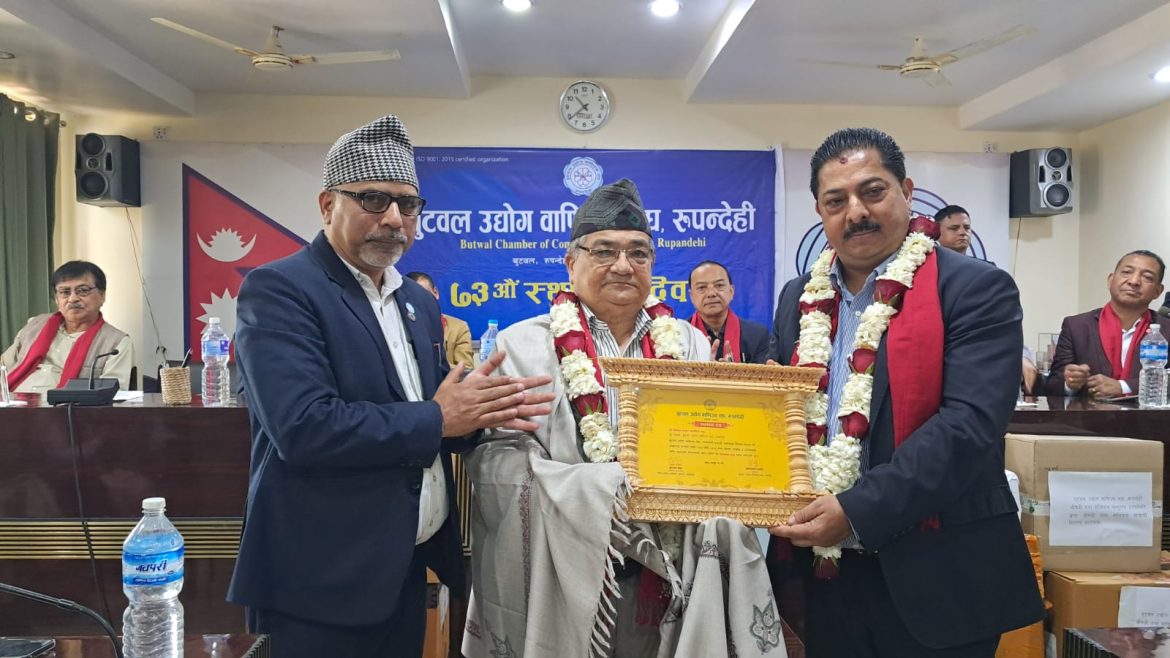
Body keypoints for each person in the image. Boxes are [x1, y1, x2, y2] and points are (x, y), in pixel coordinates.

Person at [226, 114, 554, 658]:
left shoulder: (416, 302)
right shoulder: (281, 289)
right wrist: (441, 417)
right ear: (327, 205)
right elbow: (304, 427)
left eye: (408, 204)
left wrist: (482, 415)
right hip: (319, 578)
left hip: (403, 567)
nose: (395, 219)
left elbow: (431, 412)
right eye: (374, 200)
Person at [461, 179, 782, 658]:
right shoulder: (520, 346)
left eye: (638, 253)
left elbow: (714, 444)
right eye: (604, 251)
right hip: (567, 573)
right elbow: (497, 465)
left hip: (672, 570)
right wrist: (602, 489)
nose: (623, 266)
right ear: (570, 263)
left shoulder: (689, 344)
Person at [766, 128, 1043, 657]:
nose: (856, 212)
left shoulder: (974, 288)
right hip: (827, 575)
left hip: (941, 569)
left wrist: (855, 509)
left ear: (907, 191)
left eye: (872, 192)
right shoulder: (798, 297)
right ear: (820, 211)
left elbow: (969, 427)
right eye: (836, 201)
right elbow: (786, 409)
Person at [1045, 250, 1169, 398]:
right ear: (1110, 280)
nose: (1134, 281)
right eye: (1127, 272)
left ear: (1158, 291)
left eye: (1147, 277)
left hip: (1149, 413)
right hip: (1089, 413)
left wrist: (1123, 387)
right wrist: (1070, 383)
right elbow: (1052, 386)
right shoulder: (1076, 326)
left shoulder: (1166, 329)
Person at [2, 260, 134, 394]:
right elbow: (4, 367)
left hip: (64, 406)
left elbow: (109, 395)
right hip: (11, 402)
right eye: (64, 292)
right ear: (56, 298)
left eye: (83, 291)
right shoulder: (34, 325)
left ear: (102, 295)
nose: (72, 299)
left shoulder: (116, 343)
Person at [687, 260, 769, 363]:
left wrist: (734, 371)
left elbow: (762, 373)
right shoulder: (679, 336)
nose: (711, 293)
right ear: (691, 296)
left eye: (719, 285)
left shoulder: (757, 335)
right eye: (702, 287)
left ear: (731, 291)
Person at [405, 271, 474, 368]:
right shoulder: (399, 327)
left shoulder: (458, 327)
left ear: (436, 293)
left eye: (425, 294)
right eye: (413, 297)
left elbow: (466, 368)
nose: (420, 301)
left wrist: (435, 365)